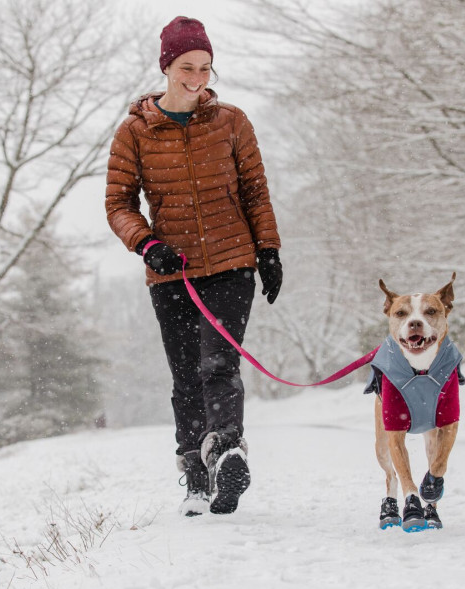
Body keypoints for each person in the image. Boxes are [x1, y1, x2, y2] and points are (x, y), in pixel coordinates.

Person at [105, 16, 282, 517]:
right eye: (187, 67)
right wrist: (147, 244)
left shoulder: (231, 122)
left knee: (218, 364)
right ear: (166, 66)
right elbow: (118, 204)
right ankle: (196, 475)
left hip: (231, 262)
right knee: (185, 374)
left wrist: (267, 251)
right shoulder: (134, 132)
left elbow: (255, 192)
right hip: (172, 270)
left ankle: (226, 450)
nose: (198, 78)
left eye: (206, 68)